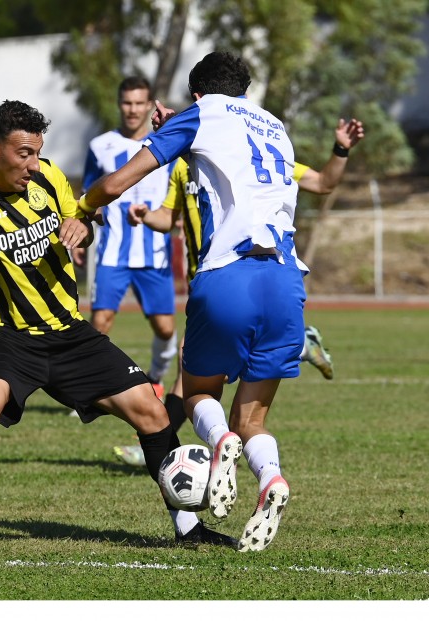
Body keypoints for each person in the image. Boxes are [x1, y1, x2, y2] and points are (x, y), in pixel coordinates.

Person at [0, 100, 234, 551]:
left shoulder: (49, 176)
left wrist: (83, 226)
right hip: (6, 334)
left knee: (153, 411)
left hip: (69, 331)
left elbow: (81, 218)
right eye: (23, 153)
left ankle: (187, 527)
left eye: (37, 152)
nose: (33, 163)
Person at [80, 51, 310, 552]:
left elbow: (122, 179)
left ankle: (218, 441)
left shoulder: (201, 115)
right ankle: (271, 479)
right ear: (244, 92)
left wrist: (83, 207)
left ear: (198, 93)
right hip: (287, 280)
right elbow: (236, 164)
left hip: (228, 275)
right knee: (256, 420)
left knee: (198, 393)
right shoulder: (275, 126)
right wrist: (184, 129)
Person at [113, 117, 365, 468]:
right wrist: (145, 215)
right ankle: (300, 343)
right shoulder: (186, 168)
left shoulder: (259, 159)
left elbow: (323, 183)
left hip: (229, 282)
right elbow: (169, 218)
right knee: (193, 380)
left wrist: (340, 149)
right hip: (206, 283)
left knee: (189, 378)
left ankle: (162, 450)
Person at [74, 77, 179, 397]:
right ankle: (87, 392)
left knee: (165, 328)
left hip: (155, 254)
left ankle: (157, 377)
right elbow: (88, 194)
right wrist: (84, 230)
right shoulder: (100, 146)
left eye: (139, 103)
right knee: (100, 322)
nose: (133, 110)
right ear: (119, 105)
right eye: (127, 103)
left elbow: (181, 192)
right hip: (112, 253)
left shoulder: (169, 144)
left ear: (149, 106)